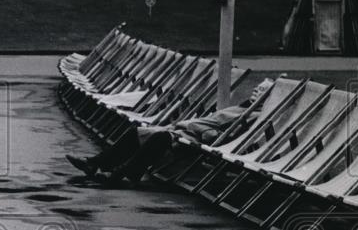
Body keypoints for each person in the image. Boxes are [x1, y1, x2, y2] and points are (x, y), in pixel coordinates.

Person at [66, 78, 276, 187]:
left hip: (193, 136)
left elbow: (223, 136)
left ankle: (123, 172)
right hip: (184, 129)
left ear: (269, 99)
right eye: (257, 88)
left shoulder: (253, 116)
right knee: (137, 131)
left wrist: (192, 127)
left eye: (262, 91)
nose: (256, 91)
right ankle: (95, 164)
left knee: (159, 137)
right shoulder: (242, 107)